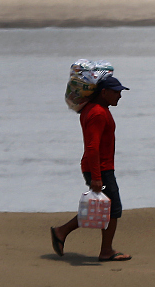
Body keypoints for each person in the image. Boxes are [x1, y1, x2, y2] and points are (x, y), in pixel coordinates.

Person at [50, 75, 132, 262]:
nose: (119, 95)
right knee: (113, 209)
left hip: (99, 168)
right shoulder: (97, 113)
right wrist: (96, 177)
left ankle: (61, 232)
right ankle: (106, 251)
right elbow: (92, 147)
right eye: (116, 92)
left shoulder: (95, 109)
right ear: (104, 92)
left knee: (101, 207)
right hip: (99, 169)